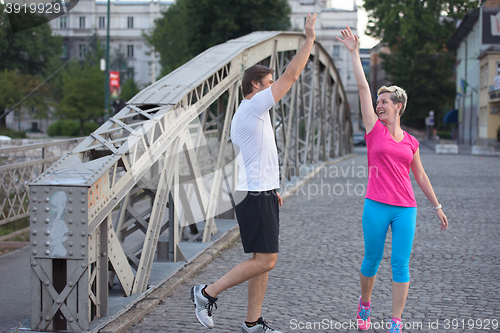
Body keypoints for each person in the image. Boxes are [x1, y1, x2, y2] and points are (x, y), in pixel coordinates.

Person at [191, 13, 317, 333]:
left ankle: (252, 322)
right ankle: (206, 293)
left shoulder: (249, 114)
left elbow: (255, 156)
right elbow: (291, 76)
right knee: (267, 261)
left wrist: (273, 187)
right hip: (254, 194)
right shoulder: (253, 107)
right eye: (268, 84)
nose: (273, 88)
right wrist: (310, 39)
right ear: (255, 87)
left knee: (263, 260)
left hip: (261, 190)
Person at [337, 26, 449, 333]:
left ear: (398, 106)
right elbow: (361, 89)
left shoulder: (411, 142)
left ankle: (396, 321)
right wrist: (352, 52)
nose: (379, 103)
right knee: (372, 260)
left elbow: (421, 175)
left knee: (400, 264)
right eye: (378, 100)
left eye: (385, 100)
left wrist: (436, 206)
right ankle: (365, 303)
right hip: (376, 205)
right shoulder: (374, 131)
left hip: (405, 209)